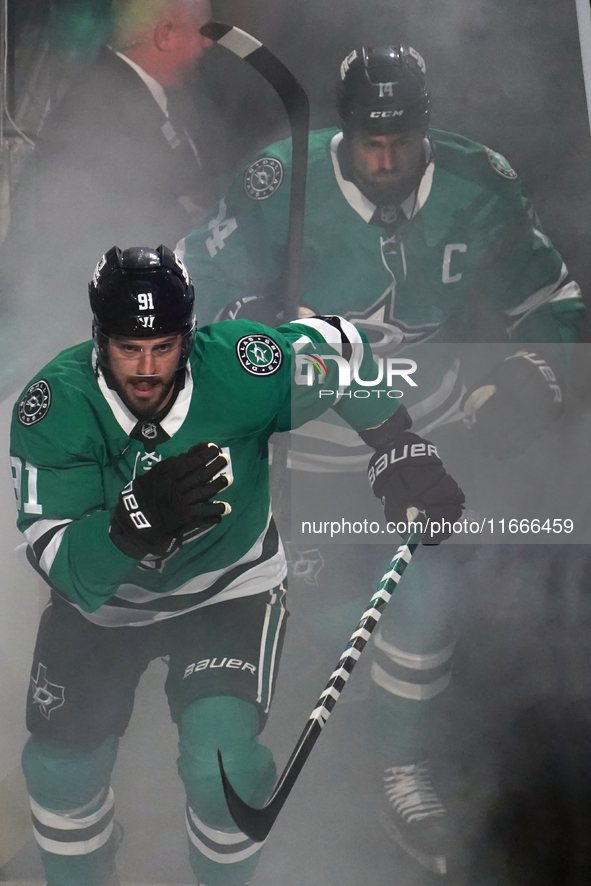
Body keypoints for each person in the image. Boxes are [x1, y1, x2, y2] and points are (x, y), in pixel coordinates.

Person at [177, 45, 585, 874]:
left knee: (423, 606)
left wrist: (525, 376)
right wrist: (240, 331)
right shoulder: (276, 182)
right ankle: (307, 776)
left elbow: (555, 303)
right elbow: (187, 283)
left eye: (403, 140)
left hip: (426, 433)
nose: (387, 158)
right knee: (313, 618)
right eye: (371, 141)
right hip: (308, 442)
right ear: (344, 131)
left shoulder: (480, 180)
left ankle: (400, 765)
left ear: (427, 130)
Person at [9, 244, 463, 886]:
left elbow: (342, 353)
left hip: (227, 590)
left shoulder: (243, 365)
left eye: (163, 347)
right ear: (97, 338)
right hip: (104, 609)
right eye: (127, 348)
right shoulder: (53, 407)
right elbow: (66, 569)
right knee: (60, 769)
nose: (146, 369)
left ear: (189, 339)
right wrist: (134, 522)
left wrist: (398, 444)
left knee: (224, 766)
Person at [1, 0, 219, 349]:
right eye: (202, 31)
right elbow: (94, 216)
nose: (208, 43)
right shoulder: (103, 102)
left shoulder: (151, 97)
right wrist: (182, 214)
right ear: (166, 34)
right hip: (80, 322)